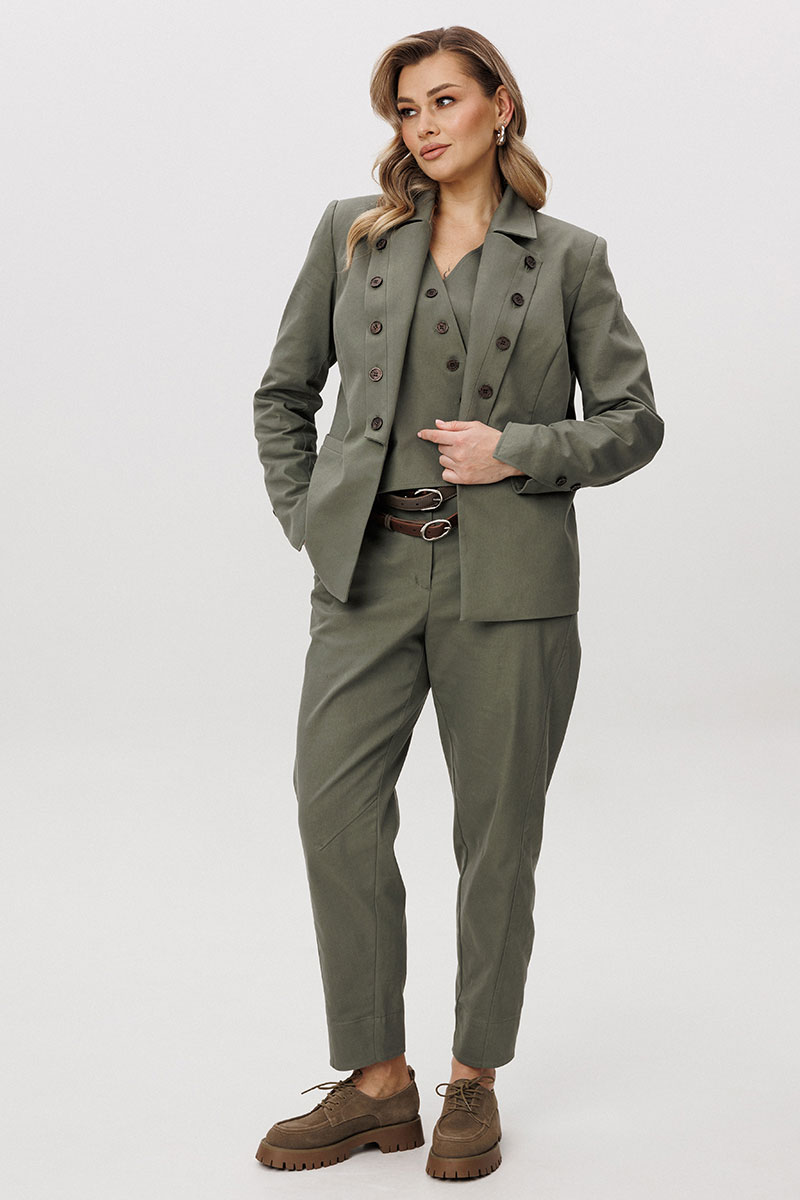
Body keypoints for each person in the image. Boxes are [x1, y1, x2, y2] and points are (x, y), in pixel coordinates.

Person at [251, 24, 664, 1181]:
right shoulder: (351, 234)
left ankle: (471, 1080)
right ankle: (376, 1083)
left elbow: (631, 421)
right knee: (332, 813)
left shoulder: (569, 257)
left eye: (442, 100)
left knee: (495, 839)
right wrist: (310, 518)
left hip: (510, 586)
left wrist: (516, 449)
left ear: (498, 104)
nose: (422, 125)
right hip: (365, 578)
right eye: (404, 109)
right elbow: (283, 394)